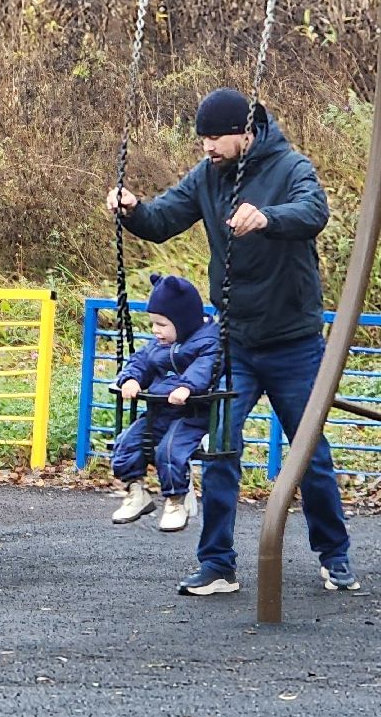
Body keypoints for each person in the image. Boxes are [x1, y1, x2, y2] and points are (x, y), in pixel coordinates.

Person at [105, 86, 358, 596]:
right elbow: (163, 220)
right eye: (202, 139)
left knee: (309, 454)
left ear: (247, 133)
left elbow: (314, 213)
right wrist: (132, 209)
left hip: (293, 341)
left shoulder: (290, 167)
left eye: (216, 138)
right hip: (234, 340)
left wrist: (267, 218)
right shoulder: (208, 177)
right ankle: (217, 563)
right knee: (218, 448)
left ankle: (335, 554)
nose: (207, 147)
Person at [109, 273, 220, 533]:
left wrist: (187, 386)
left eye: (162, 324)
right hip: (159, 412)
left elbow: (206, 367)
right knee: (126, 443)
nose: (156, 330)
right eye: (153, 324)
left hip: (191, 415)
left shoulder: (208, 341)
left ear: (182, 322)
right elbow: (140, 361)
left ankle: (175, 501)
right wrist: (131, 379)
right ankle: (137, 492)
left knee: (169, 451)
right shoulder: (158, 345)